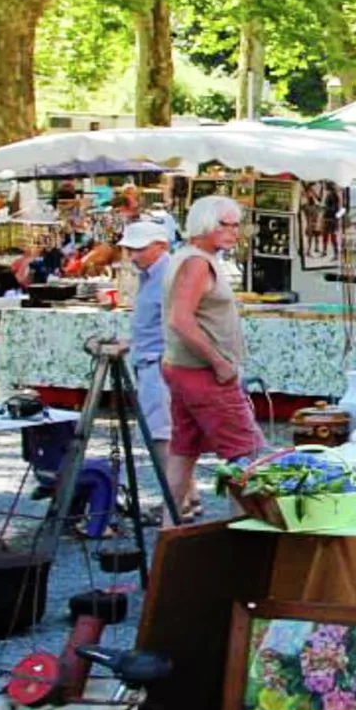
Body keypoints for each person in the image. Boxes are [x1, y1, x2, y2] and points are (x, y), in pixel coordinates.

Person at [160, 195, 262, 526]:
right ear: (204, 225)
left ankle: (168, 529)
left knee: (184, 450)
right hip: (203, 373)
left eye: (236, 225)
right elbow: (180, 320)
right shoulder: (196, 263)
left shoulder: (189, 257)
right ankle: (247, 532)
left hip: (184, 369)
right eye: (225, 225)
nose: (233, 232)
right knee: (243, 453)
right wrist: (219, 363)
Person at [117, 221, 197, 521]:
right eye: (131, 249)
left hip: (160, 364)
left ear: (161, 246)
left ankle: (177, 502)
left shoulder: (168, 276)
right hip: (151, 360)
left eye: (139, 249)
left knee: (162, 437)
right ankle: (188, 497)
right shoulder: (151, 275)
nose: (133, 255)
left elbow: (179, 323)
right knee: (169, 434)